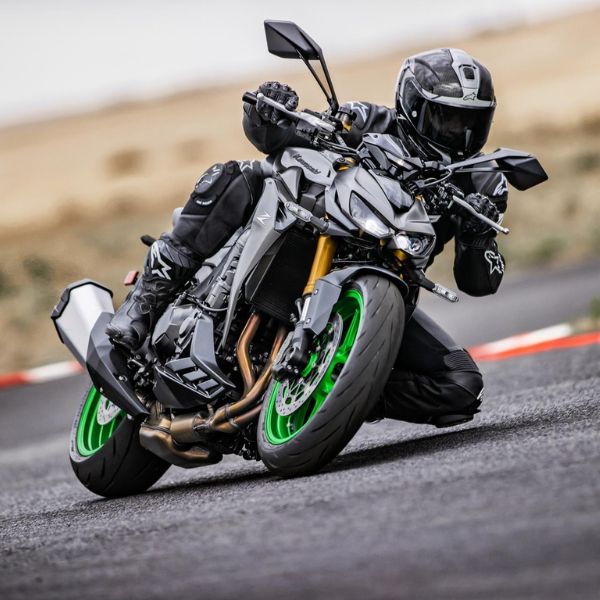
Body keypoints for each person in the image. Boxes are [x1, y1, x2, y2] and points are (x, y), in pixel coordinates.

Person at [107, 48, 508, 428]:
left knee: (461, 384)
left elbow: (480, 282)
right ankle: (144, 303)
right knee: (243, 174)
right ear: (413, 106)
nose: (459, 133)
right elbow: (275, 138)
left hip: (386, 287)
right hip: (322, 237)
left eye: (470, 123)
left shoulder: (483, 181)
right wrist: (267, 109)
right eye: (447, 118)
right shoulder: (368, 120)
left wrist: (477, 237)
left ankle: (338, 390)